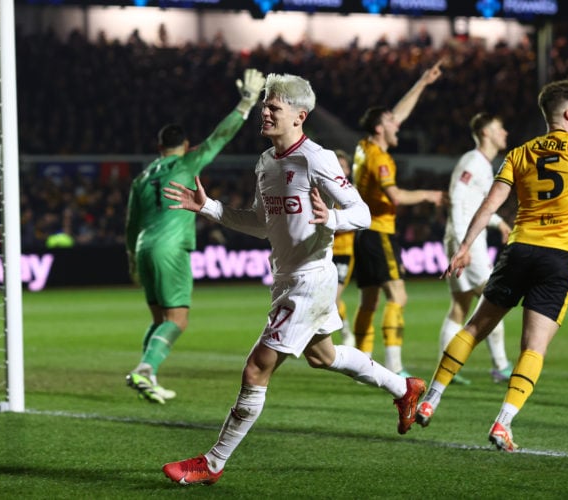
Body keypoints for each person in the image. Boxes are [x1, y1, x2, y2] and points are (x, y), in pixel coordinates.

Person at [160, 73, 426, 486]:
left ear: (299, 116)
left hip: (310, 281)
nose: (264, 112)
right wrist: (210, 207)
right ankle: (403, 387)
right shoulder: (267, 162)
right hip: (286, 278)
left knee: (255, 371)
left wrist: (332, 218)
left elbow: (363, 214)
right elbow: (262, 224)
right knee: (325, 357)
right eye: (264, 105)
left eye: (273, 107)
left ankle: (212, 462)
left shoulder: (315, 158)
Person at [415, 21, 568, 452]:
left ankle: (431, 399)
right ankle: (502, 422)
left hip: (519, 248)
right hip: (560, 258)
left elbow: (490, 203)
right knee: (534, 346)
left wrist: (464, 246)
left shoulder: (519, 153)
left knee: (477, 324)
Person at [124, 68, 266, 404]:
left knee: (160, 318)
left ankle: (149, 373)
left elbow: (131, 224)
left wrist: (132, 259)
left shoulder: (142, 178)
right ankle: (145, 369)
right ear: (184, 146)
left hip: (143, 247)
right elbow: (220, 136)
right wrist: (245, 105)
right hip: (171, 249)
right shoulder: (187, 163)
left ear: (159, 147)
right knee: (178, 319)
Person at [352, 60, 446, 376]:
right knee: (399, 297)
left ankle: (359, 361)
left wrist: (422, 83)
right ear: (380, 128)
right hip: (379, 231)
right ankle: (393, 366)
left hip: (362, 233)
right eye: (391, 121)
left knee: (369, 300)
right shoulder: (381, 160)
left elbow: (397, 114)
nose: (398, 124)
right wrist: (428, 195)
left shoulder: (364, 147)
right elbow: (396, 197)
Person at [436, 112, 513, 387]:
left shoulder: (483, 164)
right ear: (485, 133)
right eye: (499, 127)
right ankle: (501, 366)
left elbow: (474, 206)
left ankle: (446, 366)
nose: (504, 132)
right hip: (466, 243)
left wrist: (499, 222)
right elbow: (457, 201)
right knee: (494, 298)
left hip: (464, 240)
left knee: (460, 307)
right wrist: (462, 245)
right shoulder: (473, 162)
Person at [332, 149, 357, 347]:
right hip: (322, 252)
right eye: (336, 165)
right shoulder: (322, 191)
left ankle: (346, 331)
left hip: (343, 253)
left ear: (348, 170)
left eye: (343, 166)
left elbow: (355, 222)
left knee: (333, 297)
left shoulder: (352, 194)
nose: (340, 169)